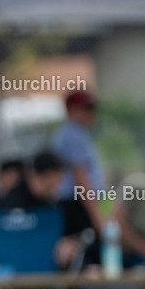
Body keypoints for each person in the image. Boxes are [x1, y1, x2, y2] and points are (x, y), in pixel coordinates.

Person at [52, 90, 105, 234]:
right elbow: (80, 177)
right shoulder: (73, 135)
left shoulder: (72, 132)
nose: (91, 113)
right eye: (85, 109)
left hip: (75, 202)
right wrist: (96, 217)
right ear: (70, 109)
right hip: (76, 204)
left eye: (91, 108)